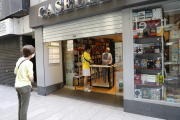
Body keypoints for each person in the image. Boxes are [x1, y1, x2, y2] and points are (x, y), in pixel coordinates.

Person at [14, 45, 35, 120]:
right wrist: (32, 79)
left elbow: (15, 72)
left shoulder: (20, 60)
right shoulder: (29, 63)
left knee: (21, 105)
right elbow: (30, 77)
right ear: (31, 54)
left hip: (17, 86)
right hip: (25, 87)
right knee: (24, 107)